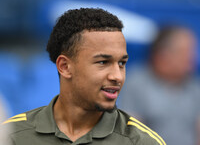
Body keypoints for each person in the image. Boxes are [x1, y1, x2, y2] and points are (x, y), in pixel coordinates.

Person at [1, 8, 166, 145]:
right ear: (64, 67)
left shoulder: (142, 142)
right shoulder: (11, 136)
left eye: (122, 63)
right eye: (103, 62)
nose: (117, 76)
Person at [120, 25, 200, 145]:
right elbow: (130, 135)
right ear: (163, 55)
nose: (192, 58)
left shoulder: (195, 87)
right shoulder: (136, 84)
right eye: (186, 52)